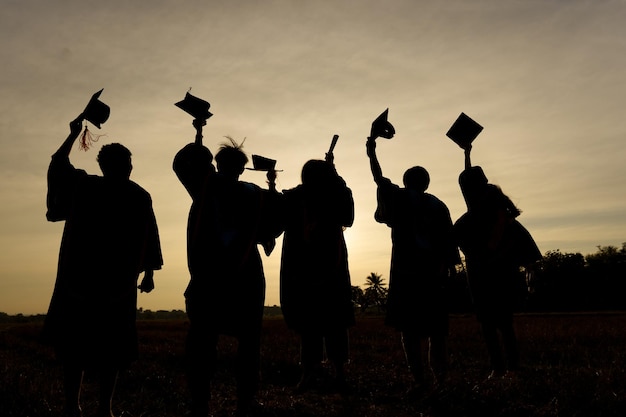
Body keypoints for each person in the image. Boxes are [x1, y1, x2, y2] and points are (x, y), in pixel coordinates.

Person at [43, 116, 163, 417]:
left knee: (80, 348)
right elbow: (150, 236)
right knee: (106, 349)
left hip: (86, 281)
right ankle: (98, 408)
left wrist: (72, 136)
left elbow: (58, 164)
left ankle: (79, 405)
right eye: (128, 161)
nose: (131, 166)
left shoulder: (86, 186)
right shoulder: (135, 194)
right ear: (124, 165)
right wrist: (148, 273)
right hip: (111, 284)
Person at [173, 119, 282, 417]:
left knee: (202, 342)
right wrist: (271, 185)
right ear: (243, 167)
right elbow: (275, 222)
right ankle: (245, 402)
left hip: (209, 278)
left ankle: (200, 403)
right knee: (248, 342)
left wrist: (198, 133)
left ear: (216, 164)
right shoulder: (255, 194)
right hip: (246, 276)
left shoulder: (204, 185)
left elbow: (186, 162)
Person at [366, 138, 460, 395]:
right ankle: (440, 377)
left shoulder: (398, 197)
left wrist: (371, 150)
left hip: (407, 274)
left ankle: (419, 379)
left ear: (406, 181)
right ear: (427, 183)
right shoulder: (439, 205)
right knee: (436, 330)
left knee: (409, 330)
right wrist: (449, 268)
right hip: (434, 274)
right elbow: (450, 243)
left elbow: (378, 177)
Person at [454, 145, 542, 379]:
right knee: (500, 323)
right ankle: (506, 366)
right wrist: (466, 154)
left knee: (493, 324)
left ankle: (503, 367)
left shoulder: (489, 216)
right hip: (494, 273)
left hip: (488, 274)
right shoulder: (493, 211)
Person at [279, 152, 355, 394]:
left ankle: (337, 373)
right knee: (311, 323)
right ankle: (312, 373)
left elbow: (348, 216)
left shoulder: (332, 196)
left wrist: (336, 177)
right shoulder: (295, 198)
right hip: (305, 268)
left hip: (329, 266)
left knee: (331, 323)